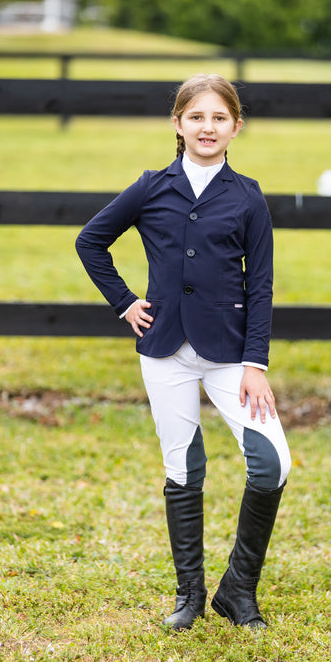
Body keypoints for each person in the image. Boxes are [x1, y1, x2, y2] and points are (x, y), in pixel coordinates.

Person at [75, 73, 291, 631]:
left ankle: (238, 589)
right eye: (196, 116)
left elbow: (261, 285)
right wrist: (125, 302)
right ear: (178, 124)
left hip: (229, 354)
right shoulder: (152, 186)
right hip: (165, 348)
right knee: (183, 467)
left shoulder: (247, 196)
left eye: (219, 117)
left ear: (235, 127)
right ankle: (189, 595)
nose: (207, 127)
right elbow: (90, 241)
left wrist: (256, 364)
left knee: (272, 463)